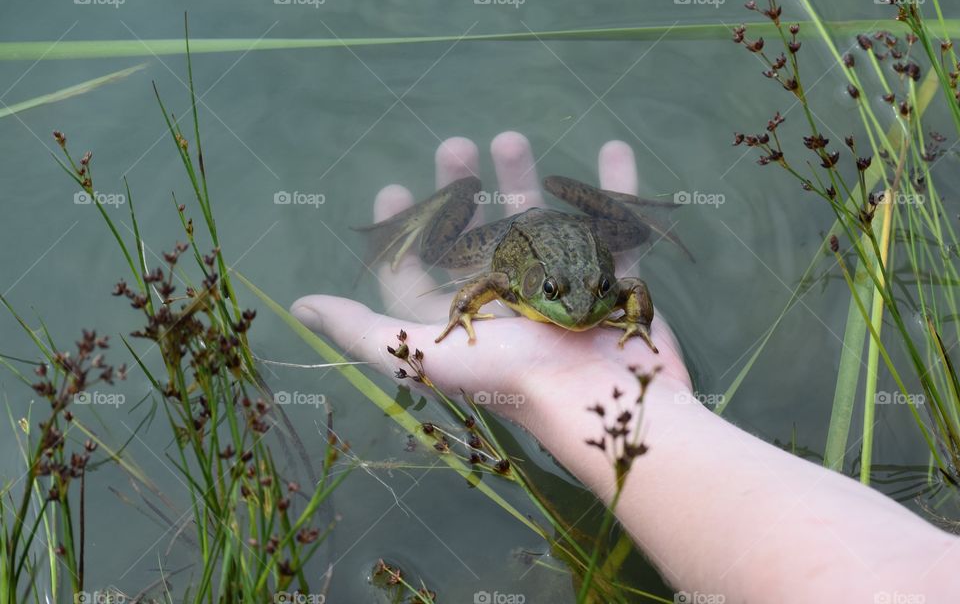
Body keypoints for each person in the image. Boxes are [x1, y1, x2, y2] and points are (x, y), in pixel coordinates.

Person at [292, 132, 960, 602]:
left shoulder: (603, 296)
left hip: (573, 250)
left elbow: (632, 291)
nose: (581, 316)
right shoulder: (509, 283)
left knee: (620, 244)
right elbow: (479, 287)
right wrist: (462, 314)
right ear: (533, 294)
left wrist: (631, 322)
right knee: (445, 258)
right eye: (560, 304)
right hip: (516, 245)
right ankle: (430, 213)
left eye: (594, 305)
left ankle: (629, 215)